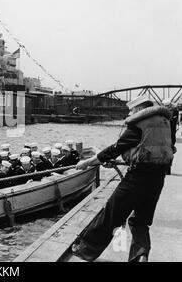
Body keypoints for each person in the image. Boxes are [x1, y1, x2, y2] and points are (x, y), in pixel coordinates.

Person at [72, 95, 174, 262]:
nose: (130, 113)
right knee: (140, 221)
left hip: (137, 178)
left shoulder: (140, 123)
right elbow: (152, 151)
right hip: (157, 178)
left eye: (132, 110)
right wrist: (121, 160)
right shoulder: (164, 123)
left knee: (111, 214)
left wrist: (87, 162)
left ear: (141, 109)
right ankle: (140, 255)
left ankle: (84, 250)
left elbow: (114, 149)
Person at [162, 98, 179, 175]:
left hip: (171, 135)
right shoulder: (165, 111)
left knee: (169, 151)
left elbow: (172, 123)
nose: (166, 107)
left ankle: (167, 169)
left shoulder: (175, 111)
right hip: (166, 134)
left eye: (167, 106)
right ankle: (165, 168)